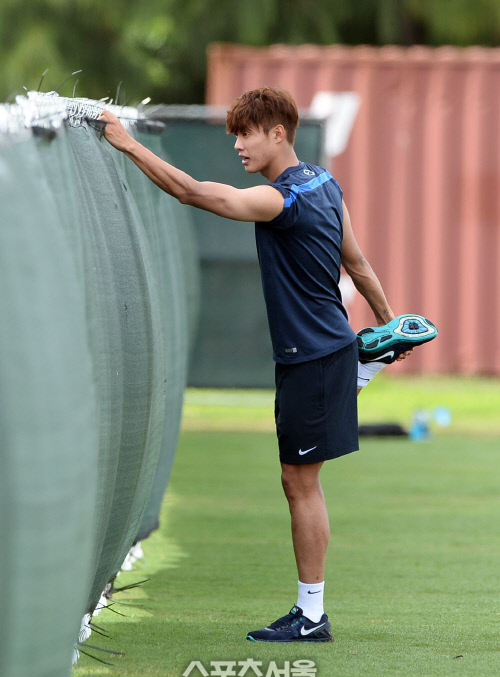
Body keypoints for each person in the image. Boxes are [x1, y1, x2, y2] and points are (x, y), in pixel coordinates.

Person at [99, 87, 432, 643]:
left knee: (300, 484)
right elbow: (359, 262)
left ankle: (311, 616)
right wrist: (391, 321)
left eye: (244, 133)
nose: (236, 144)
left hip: (311, 357)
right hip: (321, 350)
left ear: (277, 133)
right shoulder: (326, 184)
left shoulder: (284, 200)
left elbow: (192, 192)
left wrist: (127, 144)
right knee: (299, 480)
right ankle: (365, 357)